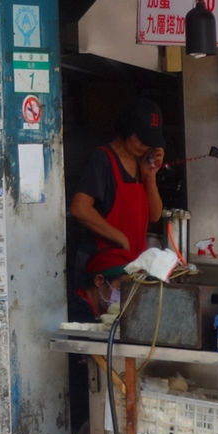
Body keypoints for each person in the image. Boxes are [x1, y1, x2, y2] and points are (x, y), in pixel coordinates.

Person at [69, 98, 165, 283]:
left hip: (132, 266)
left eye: (150, 142)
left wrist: (150, 176)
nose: (146, 146)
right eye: (142, 140)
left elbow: (154, 216)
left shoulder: (141, 163)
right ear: (127, 130)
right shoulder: (102, 160)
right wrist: (120, 238)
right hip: (105, 269)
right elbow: (79, 208)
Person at [69, 248, 127, 322]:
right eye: (122, 288)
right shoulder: (78, 311)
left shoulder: (102, 313)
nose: (126, 295)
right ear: (99, 281)